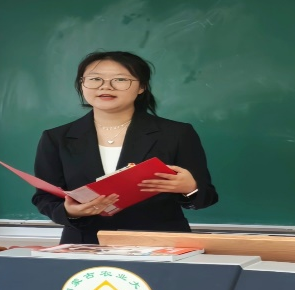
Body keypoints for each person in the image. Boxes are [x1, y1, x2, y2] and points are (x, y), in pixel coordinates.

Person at [32, 51, 218, 244]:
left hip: (160, 243)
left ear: (141, 87)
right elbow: (44, 198)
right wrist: (69, 211)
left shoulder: (177, 133)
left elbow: (207, 196)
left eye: (120, 79)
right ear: (82, 84)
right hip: (84, 243)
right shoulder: (56, 138)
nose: (106, 86)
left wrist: (190, 189)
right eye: (95, 79)